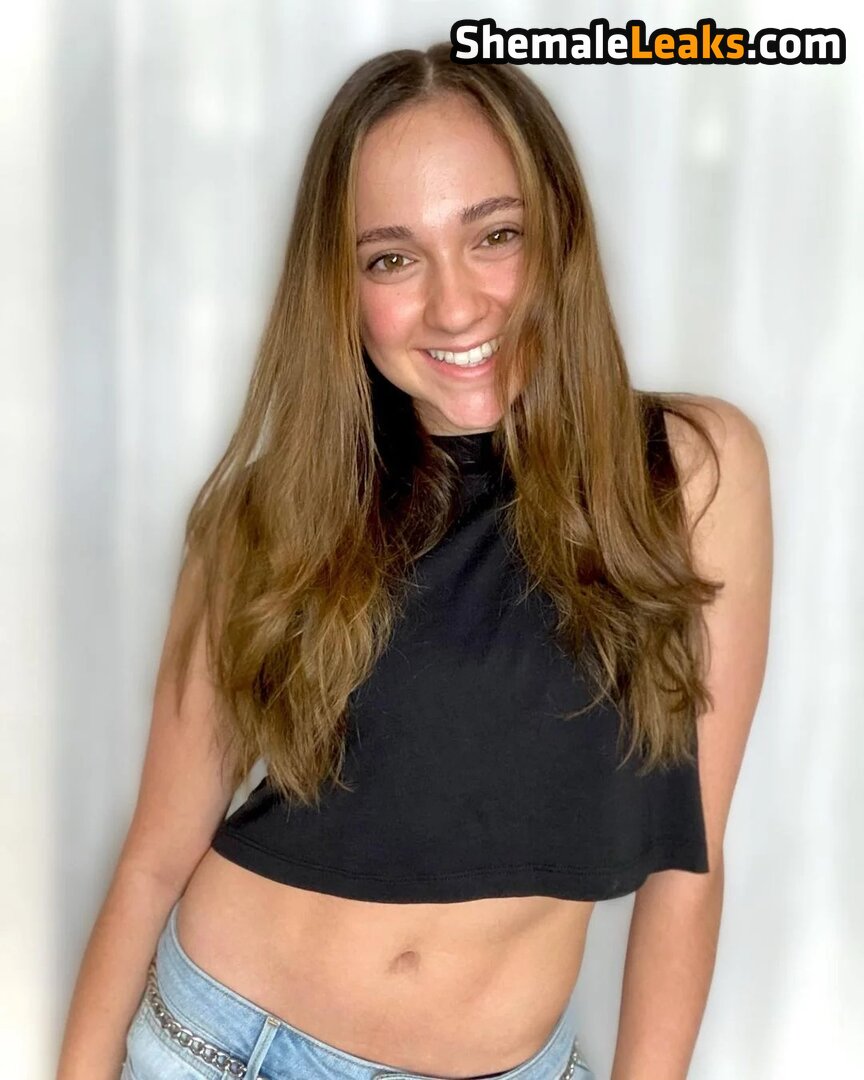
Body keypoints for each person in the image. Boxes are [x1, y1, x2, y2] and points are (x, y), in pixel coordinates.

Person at [56, 41, 773, 1080]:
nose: (455, 305)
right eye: (392, 258)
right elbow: (154, 859)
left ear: (558, 232)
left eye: (495, 236)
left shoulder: (692, 471)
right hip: (224, 1046)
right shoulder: (270, 513)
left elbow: (689, 865)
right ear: (342, 290)